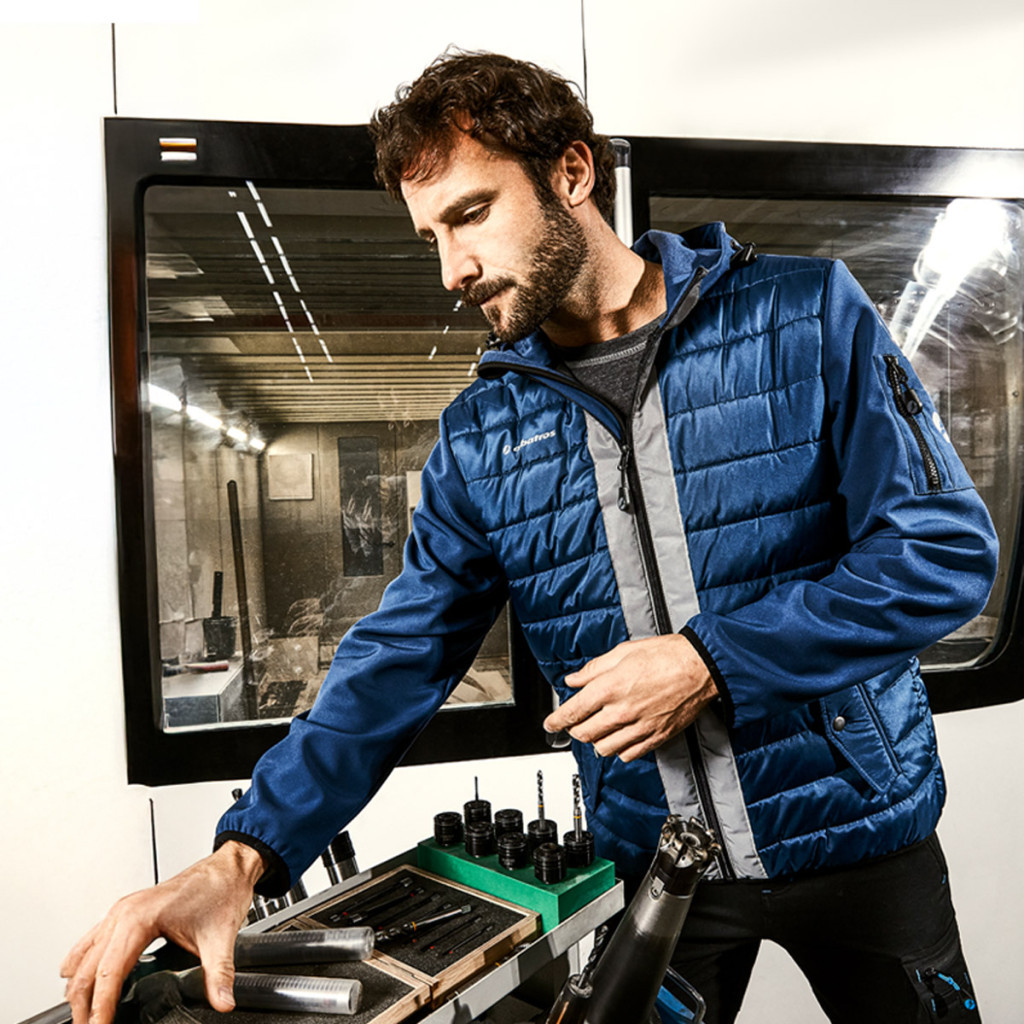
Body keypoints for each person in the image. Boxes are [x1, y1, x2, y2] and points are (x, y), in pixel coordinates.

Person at [63, 51, 997, 1024]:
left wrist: (707, 661)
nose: (451, 268)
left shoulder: (804, 316)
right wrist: (241, 856)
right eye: (431, 235)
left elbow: (941, 553)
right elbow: (399, 657)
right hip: (659, 869)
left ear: (572, 172)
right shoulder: (482, 436)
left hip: (865, 835)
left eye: (470, 213)